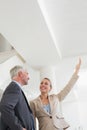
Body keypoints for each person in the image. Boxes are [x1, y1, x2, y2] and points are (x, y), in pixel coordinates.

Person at [30, 58, 81, 130]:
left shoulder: (56, 98)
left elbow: (68, 88)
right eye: (41, 83)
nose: (43, 85)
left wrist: (76, 72)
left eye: (46, 84)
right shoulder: (33, 103)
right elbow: (32, 122)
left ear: (50, 88)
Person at [0, 65, 35, 130]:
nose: (28, 77)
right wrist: (18, 128)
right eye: (27, 73)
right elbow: (5, 107)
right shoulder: (14, 87)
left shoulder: (16, 88)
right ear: (20, 74)